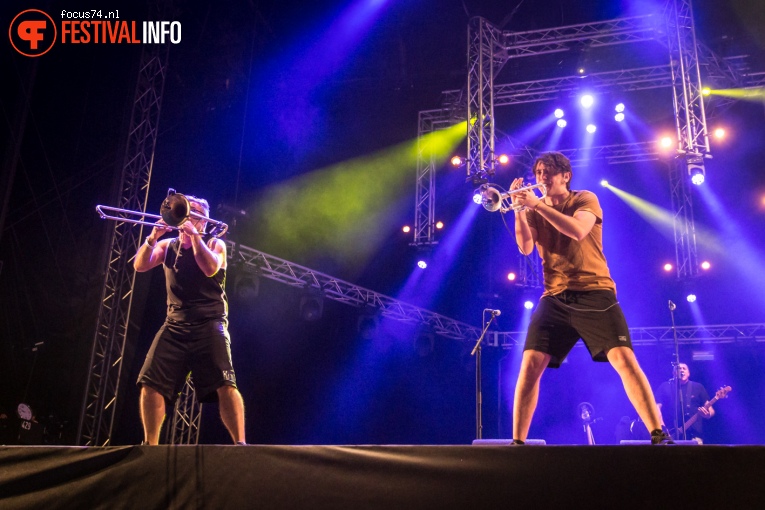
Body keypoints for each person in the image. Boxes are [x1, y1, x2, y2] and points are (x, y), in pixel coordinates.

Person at [509, 152, 672, 445]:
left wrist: (534, 204)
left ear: (565, 176)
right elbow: (524, 247)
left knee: (624, 359)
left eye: (548, 172)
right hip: (554, 296)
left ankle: (658, 432)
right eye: (538, 173)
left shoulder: (585, 199)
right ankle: (517, 443)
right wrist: (520, 211)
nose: (542, 178)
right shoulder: (533, 209)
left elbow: (577, 230)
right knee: (530, 365)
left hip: (595, 292)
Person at [134, 194, 246, 445]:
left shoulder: (215, 243)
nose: (187, 215)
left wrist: (195, 237)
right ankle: (150, 445)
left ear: (203, 221)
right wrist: (152, 238)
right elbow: (139, 266)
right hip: (175, 325)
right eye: (186, 210)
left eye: (194, 212)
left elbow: (210, 268)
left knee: (225, 383)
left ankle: (241, 445)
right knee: (150, 381)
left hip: (210, 323)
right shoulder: (168, 246)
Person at [655, 363, 714, 443]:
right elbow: (656, 408)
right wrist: (662, 427)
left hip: (694, 436)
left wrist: (707, 414)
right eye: (678, 368)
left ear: (688, 373)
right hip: (670, 434)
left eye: (684, 368)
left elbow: (711, 410)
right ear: (673, 373)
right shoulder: (665, 387)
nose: (681, 370)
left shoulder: (697, 387)